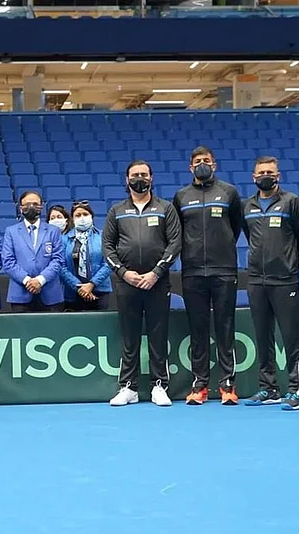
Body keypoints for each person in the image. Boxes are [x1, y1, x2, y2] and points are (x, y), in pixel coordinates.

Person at [104, 161, 182, 406]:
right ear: (127, 180)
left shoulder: (165, 208)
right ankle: (128, 387)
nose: (140, 178)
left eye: (144, 174)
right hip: (127, 284)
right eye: (135, 175)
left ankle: (160, 385)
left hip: (157, 283)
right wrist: (123, 273)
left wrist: (156, 273)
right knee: (130, 338)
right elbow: (107, 247)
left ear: (151, 178)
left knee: (158, 336)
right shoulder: (116, 211)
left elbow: (175, 243)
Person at [173, 146, 242, 406]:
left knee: (225, 327)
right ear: (190, 167)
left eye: (206, 160)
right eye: (198, 161)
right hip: (192, 272)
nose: (202, 164)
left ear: (214, 164)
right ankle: (199, 384)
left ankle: (227, 384)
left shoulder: (229, 192)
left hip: (223, 270)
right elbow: (178, 232)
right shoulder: (181, 196)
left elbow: (235, 227)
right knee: (198, 329)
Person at [240, 156, 299, 410]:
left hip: (284, 280)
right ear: (253, 177)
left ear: (278, 176)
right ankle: (268, 387)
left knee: (292, 337)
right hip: (256, 280)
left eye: (270, 172)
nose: (265, 176)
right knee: (263, 337)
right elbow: (249, 236)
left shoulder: (292, 202)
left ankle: (296, 388)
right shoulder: (247, 206)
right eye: (261, 172)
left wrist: (290, 263)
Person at [2, 191, 65, 312]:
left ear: (41, 207)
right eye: (27, 204)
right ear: (20, 208)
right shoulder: (11, 232)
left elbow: (58, 260)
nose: (31, 207)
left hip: (50, 293)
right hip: (21, 293)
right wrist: (27, 281)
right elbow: (8, 262)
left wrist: (40, 280)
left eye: (35, 204)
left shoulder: (53, 231)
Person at [61, 200, 112, 311]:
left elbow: (109, 262)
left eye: (85, 214)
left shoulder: (104, 236)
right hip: (73, 292)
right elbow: (61, 266)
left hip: (100, 291)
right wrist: (79, 287)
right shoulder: (64, 239)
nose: (82, 218)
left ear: (92, 216)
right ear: (72, 219)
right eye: (78, 215)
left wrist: (92, 284)